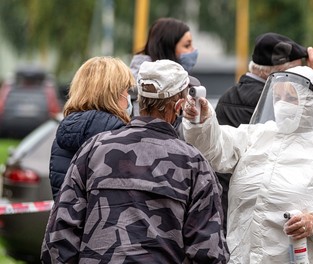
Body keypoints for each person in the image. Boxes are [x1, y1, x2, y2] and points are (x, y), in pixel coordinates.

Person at [41, 60, 229, 263]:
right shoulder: (194, 164)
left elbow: (59, 240)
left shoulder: (93, 150)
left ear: (140, 98)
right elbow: (209, 253)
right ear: (179, 106)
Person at [182, 65, 313, 263]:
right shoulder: (255, 136)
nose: (282, 104)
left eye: (291, 98)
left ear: (309, 101)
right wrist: (202, 122)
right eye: (277, 97)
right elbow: (214, 147)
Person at [214, 32, 313, 232]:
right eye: (299, 71)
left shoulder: (228, 97)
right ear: (284, 73)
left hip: (232, 210)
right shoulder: (281, 103)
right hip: (271, 221)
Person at [48, 56, 134, 201]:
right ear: (113, 93)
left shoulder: (64, 134)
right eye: (127, 90)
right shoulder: (119, 135)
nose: (129, 97)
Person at [129, 17, 198, 116]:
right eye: (187, 46)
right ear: (167, 49)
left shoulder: (182, 82)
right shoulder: (141, 85)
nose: (194, 50)